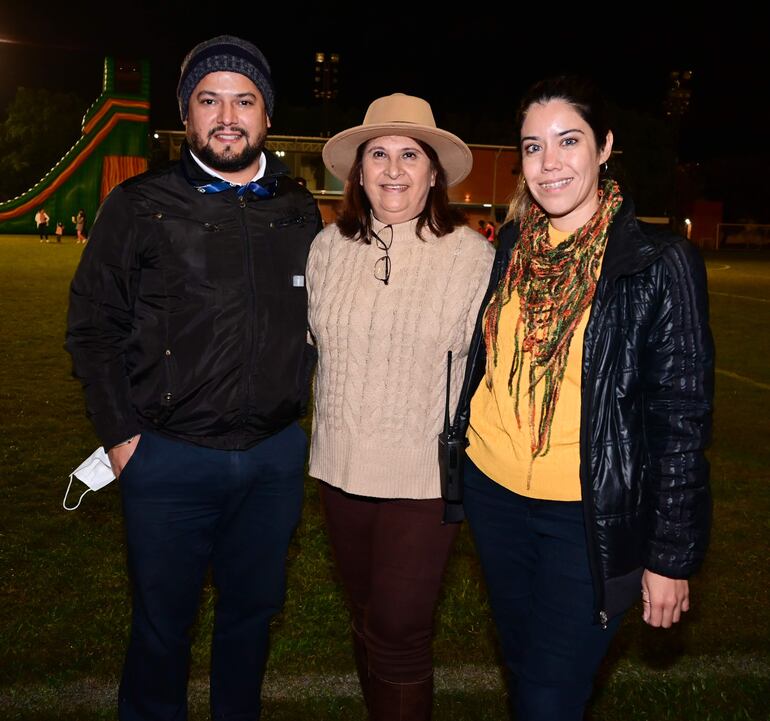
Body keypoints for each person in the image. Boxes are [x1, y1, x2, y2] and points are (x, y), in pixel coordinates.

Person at [66, 35, 321, 721]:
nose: (228, 115)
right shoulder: (138, 203)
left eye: (245, 99)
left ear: (267, 117)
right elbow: (92, 327)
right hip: (168, 457)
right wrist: (122, 438)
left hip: (271, 458)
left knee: (251, 618)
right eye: (210, 100)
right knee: (160, 628)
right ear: (188, 115)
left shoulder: (299, 210)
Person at [454, 76, 714, 720]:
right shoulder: (513, 246)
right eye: (533, 147)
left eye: (568, 142)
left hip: (590, 511)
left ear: (604, 147)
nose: (549, 163)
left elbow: (680, 416)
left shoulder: (658, 261)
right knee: (523, 669)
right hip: (495, 495)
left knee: (549, 695)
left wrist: (671, 556)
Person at [307, 93, 494, 720]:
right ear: (358, 172)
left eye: (409, 155)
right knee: (366, 618)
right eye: (378, 154)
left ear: (433, 171)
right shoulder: (327, 248)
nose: (393, 169)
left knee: (398, 632)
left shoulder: (472, 257)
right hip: (338, 470)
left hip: (423, 480)